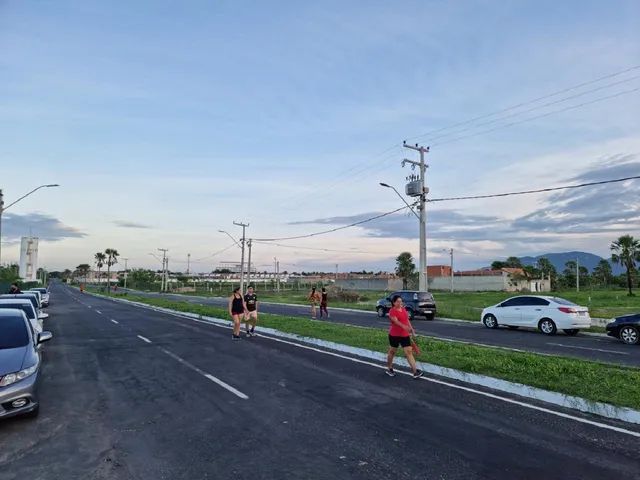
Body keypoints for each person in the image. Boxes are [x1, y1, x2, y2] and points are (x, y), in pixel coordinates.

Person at [386, 294, 423, 379]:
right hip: (394, 335)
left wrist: (412, 330)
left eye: (401, 301)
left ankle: (415, 372)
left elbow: (407, 320)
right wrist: (404, 327)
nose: (400, 303)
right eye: (398, 301)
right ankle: (389, 368)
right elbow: (395, 322)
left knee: (409, 352)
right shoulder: (392, 311)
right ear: (393, 302)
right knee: (392, 352)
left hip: (404, 335)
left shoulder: (403, 309)